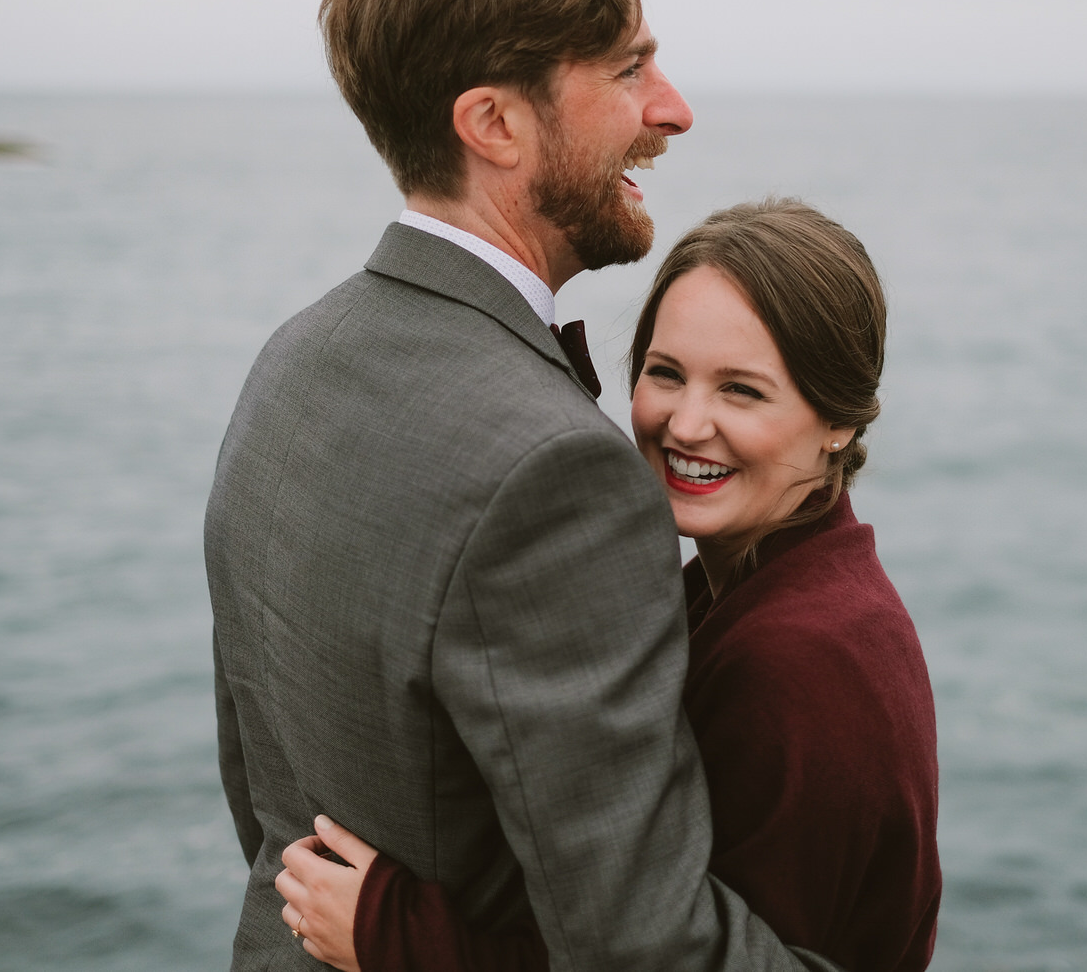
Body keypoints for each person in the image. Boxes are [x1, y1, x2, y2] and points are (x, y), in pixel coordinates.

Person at [205, 0, 843, 970]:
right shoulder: (558, 473)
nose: (672, 109)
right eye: (630, 67)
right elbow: (646, 947)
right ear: (495, 124)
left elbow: (267, 801)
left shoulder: (291, 359)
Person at [275, 200, 942, 972]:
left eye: (742, 391)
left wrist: (398, 935)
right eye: (665, 374)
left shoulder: (800, 659)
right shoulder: (757, 589)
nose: (686, 424)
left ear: (839, 422)